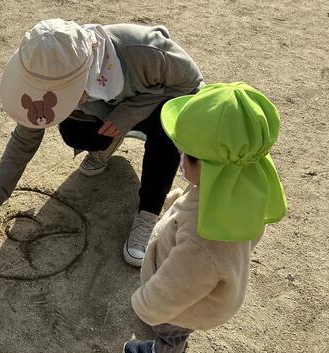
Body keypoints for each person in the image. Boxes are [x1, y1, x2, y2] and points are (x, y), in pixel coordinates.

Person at [0, 19, 204, 266]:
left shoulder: (143, 50)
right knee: (75, 133)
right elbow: (25, 137)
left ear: (88, 69)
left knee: (166, 132)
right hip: (107, 113)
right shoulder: (46, 65)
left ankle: (148, 214)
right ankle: (109, 142)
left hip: (152, 106)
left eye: (62, 92)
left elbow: (192, 85)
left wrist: (130, 113)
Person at [123, 82, 287, 353]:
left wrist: (145, 304)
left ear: (210, 168)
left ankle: (163, 349)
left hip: (184, 307)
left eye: (187, 154)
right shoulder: (239, 180)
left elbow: (176, 287)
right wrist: (179, 202)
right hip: (203, 291)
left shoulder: (204, 241)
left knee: (170, 333)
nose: (181, 159)